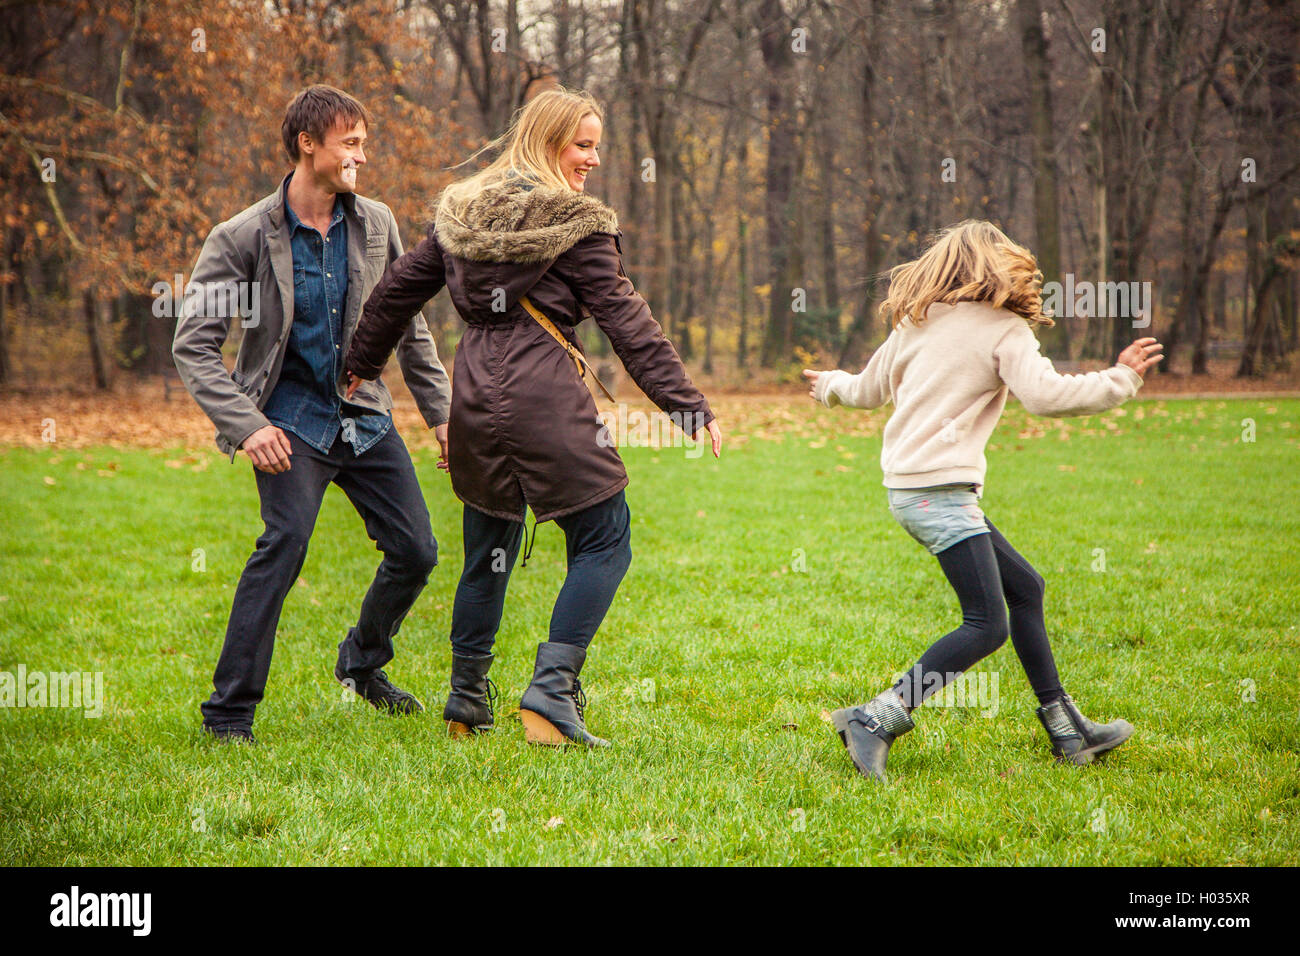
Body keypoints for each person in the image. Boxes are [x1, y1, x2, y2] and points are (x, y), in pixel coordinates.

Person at [346, 87, 720, 748]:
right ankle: (550, 693)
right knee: (606, 536)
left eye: (596, 145)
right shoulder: (575, 224)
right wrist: (685, 406)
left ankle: (466, 699)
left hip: (475, 398)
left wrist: (362, 361)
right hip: (543, 394)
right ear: (549, 143)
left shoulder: (460, 215)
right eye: (583, 145)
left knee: (489, 548)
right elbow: (627, 321)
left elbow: (398, 287)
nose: (593, 159)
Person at [803, 220, 1162, 782]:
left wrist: (829, 384)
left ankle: (1068, 728)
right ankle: (876, 717)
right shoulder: (1002, 328)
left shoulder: (916, 322)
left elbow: (867, 390)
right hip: (940, 494)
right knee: (987, 624)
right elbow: (1045, 397)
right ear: (999, 269)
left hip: (911, 490)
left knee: (1027, 589)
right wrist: (1120, 379)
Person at [172, 85, 452, 743]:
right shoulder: (240, 237)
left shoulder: (377, 223)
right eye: (349, 142)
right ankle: (229, 713)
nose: (361, 154)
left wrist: (441, 414)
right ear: (308, 144)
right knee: (285, 544)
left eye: (362, 141)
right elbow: (194, 344)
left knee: (417, 550)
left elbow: (408, 327)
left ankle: (361, 663)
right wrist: (249, 426)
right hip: (288, 421)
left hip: (363, 413)